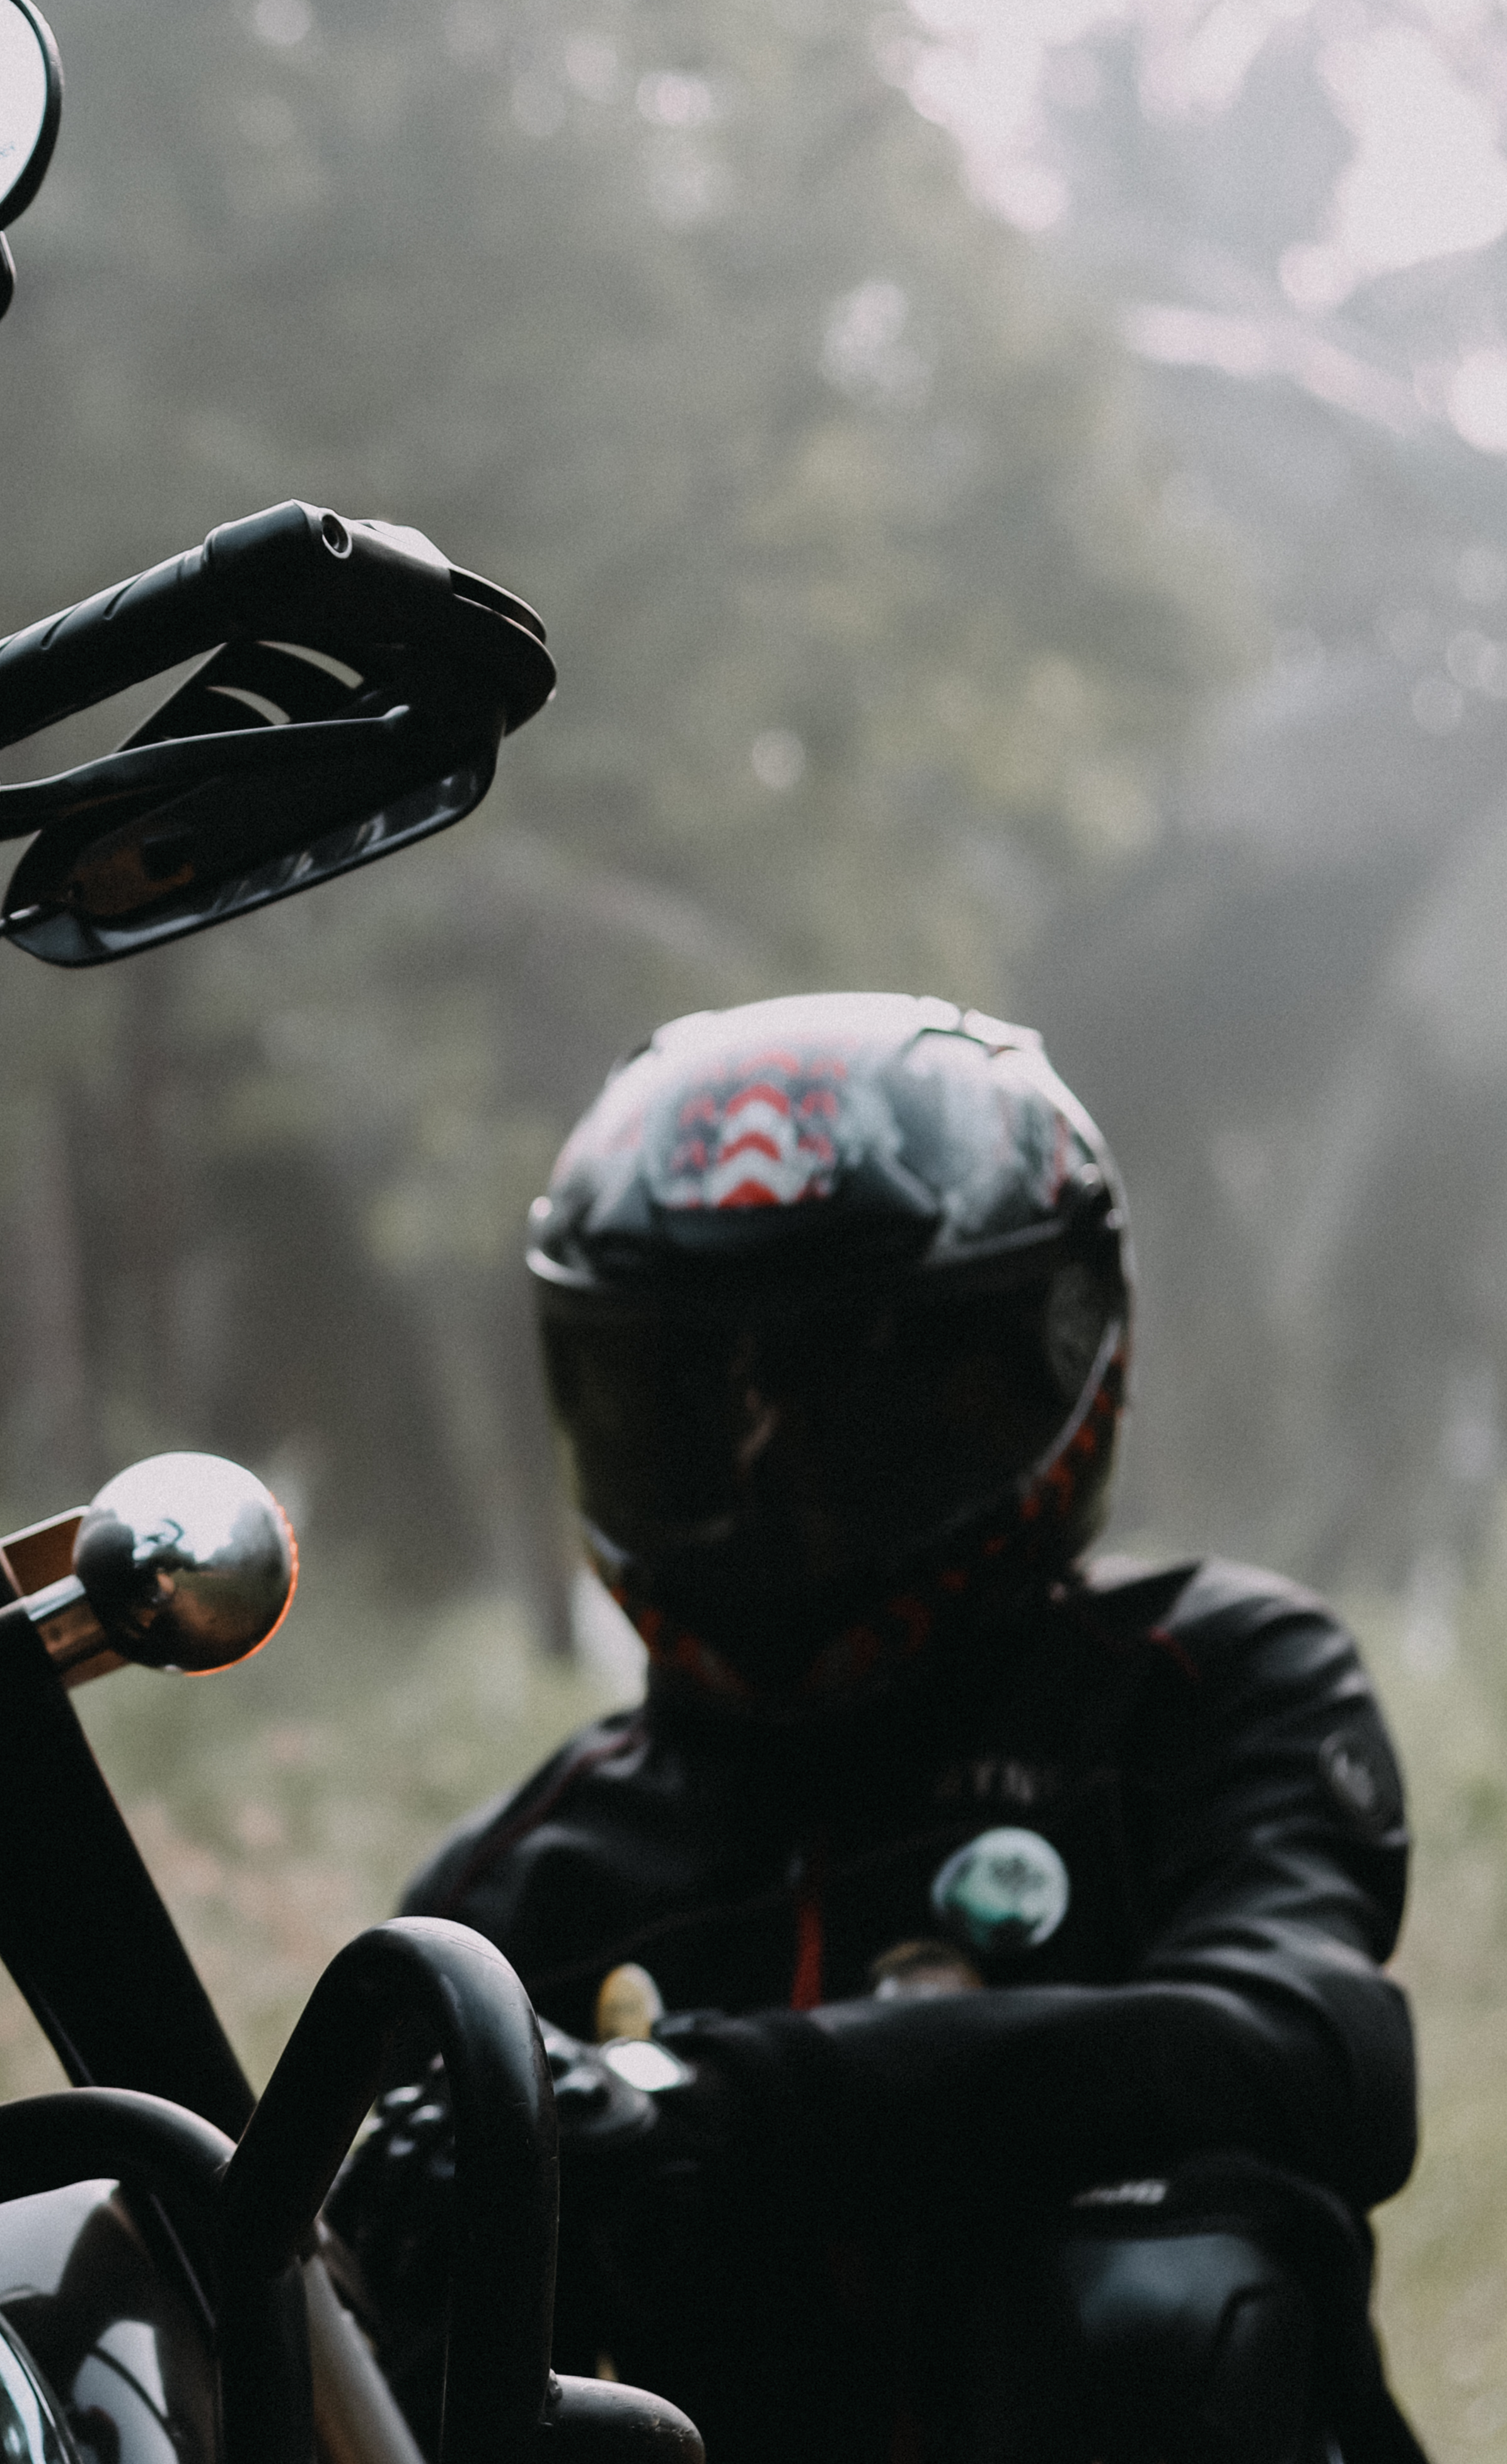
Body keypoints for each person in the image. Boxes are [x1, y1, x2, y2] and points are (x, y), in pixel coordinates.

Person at [330, 992, 1423, 2464]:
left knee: (1154, 2299)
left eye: (861, 1387)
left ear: (1055, 1341)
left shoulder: (1196, 1678)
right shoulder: (523, 1888)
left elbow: (1312, 2047)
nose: (768, 1465)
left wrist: (688, 2102)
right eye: (694, 1396)